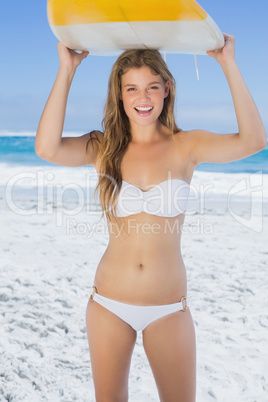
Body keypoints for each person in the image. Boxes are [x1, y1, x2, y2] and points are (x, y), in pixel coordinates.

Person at [35, 33, 266, 401]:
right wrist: (67, 70)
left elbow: (254, 141)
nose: (142, 98)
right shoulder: (103, 145)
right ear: (120, 94)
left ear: (167, 89)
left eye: (151, 87)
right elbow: (46, 148)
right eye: (132, 89)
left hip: (169, 308)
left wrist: (227, 63)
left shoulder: (186, 145)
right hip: (108, 304)